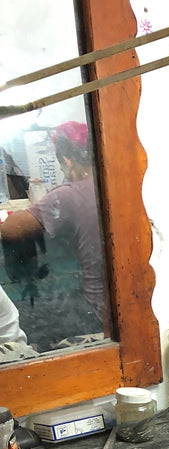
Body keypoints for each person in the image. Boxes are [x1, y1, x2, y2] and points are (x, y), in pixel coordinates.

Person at [0, 120, 104, 338]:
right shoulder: (110, 185)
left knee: (26, 315)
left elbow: (11, 229)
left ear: (67, 160)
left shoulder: (69, 194)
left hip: (95, 313)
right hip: (113, 308)